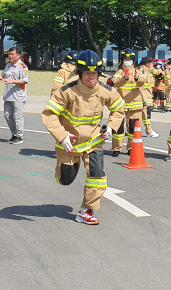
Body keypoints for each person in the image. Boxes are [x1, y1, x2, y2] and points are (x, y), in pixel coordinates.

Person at [42, 50, 125, 225]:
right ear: (80, 73)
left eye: (94, 73)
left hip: (93, 142)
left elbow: (119, 108)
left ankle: (86, 210)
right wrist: (62, 136)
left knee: (97, 176)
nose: (91, 77)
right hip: (69, 143)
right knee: (66, 179)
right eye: (87, 73)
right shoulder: (66, 91)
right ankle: (61, 172)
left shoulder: (105, 90)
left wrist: (111, 126)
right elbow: (49, 115)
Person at [111, 48, 147, 157]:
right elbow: (116, 83)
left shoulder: (139, 72)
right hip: (121, 105)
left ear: (133, 61)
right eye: (126, 59)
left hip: (135, 105)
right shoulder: (119, 72)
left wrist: (137, 78)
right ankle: (116, 148)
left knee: (133, 128)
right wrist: (124, 78)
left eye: (130, 59)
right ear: (122, 60)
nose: (128, 61)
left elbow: (143, 82)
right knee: (119, 128)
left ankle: (131, 148)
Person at [0, 47, 29, 144]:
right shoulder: (8, 65)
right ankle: (14, 134)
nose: (10, 56)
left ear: (18, 55)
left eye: (12, 54)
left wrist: (12, 81)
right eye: (9, 54)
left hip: (18, 95)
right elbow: (4, 77)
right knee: (7, 115)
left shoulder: (22, 66)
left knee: (18, 116)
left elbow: (24, 81)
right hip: (8, 95)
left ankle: (19, 136)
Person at [139, 56, 159, 137]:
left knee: (141, 115)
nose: (152, 65)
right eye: (151, 63)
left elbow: (158, 74)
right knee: (146, 114)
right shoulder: (141, 71)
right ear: (147, 64)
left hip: (148, 96)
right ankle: (149, 131)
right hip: (144, 97)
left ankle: (127, 127)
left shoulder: (148, 71)